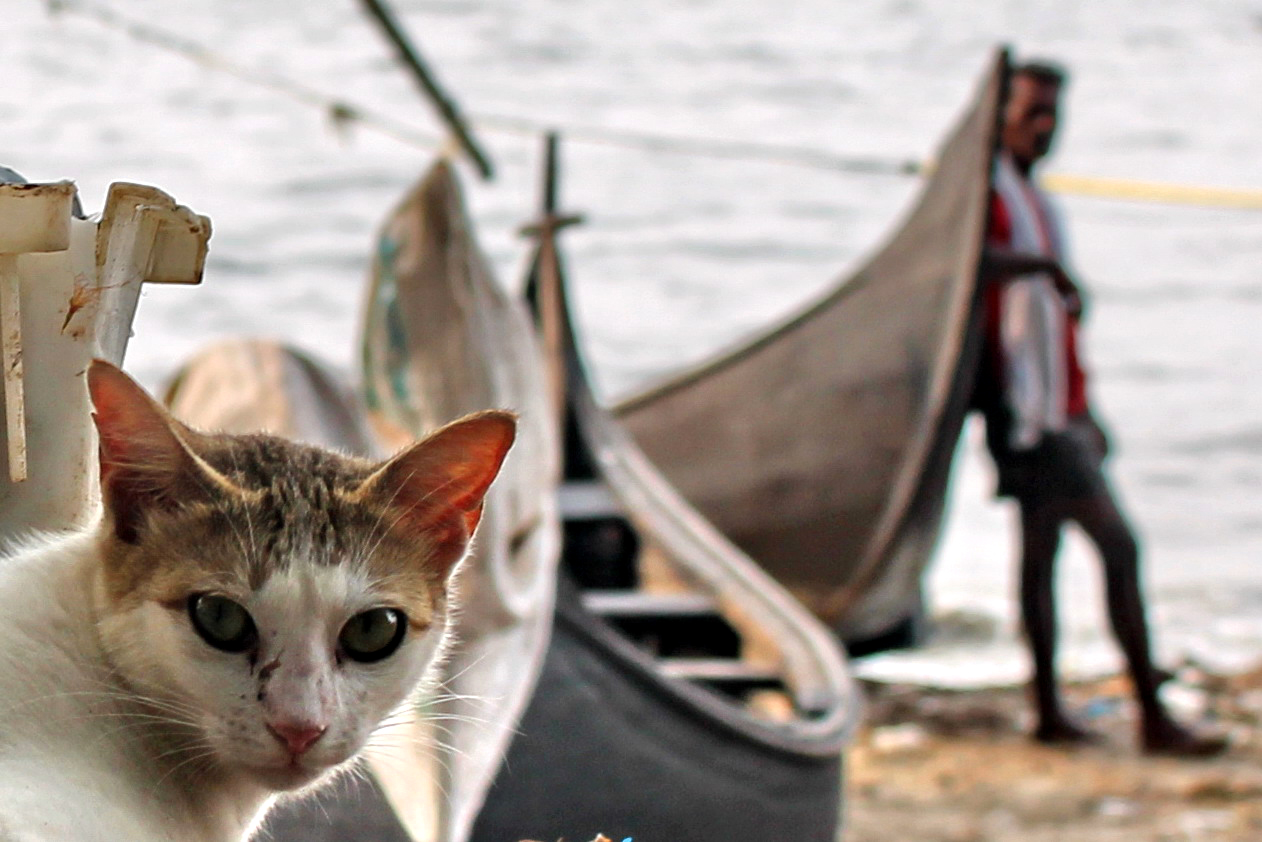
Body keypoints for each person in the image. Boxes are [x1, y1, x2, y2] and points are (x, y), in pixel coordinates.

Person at [975, 60, 1226, 756]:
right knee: (1117, 546)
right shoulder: (986, 195)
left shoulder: (1036, 200)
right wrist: (1040, 270)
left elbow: (1053, 329)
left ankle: (1050, 710)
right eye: (1032, 114)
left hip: (1058, 408)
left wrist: (1087, 409)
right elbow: (965, 267)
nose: (1044, 129)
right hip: (1026, 416)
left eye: (1053, 115)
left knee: (1042, 556)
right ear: (1000, 117)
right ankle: (1150, 714)